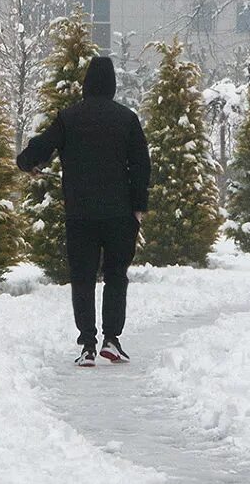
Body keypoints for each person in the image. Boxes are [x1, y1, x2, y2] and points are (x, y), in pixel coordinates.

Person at [16, 55, 151, 367]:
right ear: (113, 85)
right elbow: (141, 165)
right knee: (117, 275)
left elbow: (42, 146)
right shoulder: (127, 119)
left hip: (80, 214)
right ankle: (112, 340)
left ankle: (88, 345)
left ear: (86, 84)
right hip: (120, 214)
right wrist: (139, 207)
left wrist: (28, 164)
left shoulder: (69, 117)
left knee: (83, 277)